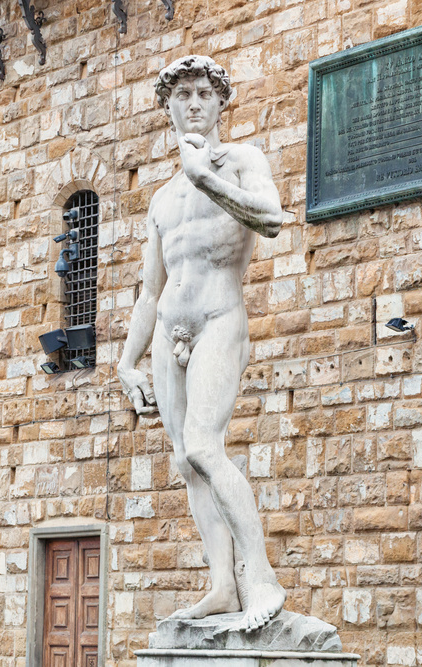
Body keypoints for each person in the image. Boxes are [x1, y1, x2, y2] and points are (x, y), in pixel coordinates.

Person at [117, 55, 286, 632]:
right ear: (168, 108)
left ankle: (259, 575)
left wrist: (205, 178)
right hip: (169, 329)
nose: (193, 103)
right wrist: (125, 362)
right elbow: (147, 291)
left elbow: (272, 219)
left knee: (205, 447)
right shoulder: (162, 199)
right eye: (183, 95)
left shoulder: (240, 162)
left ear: (220, 104)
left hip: (218, 316)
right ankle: (221, 585)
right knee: (187, 463)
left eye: (204, 94)